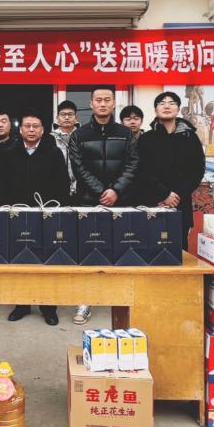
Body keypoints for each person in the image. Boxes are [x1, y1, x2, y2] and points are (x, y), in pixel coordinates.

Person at [68, 86, 139, 325]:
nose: (102, 103)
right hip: (89, 202)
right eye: (98, 100)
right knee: (89, 251)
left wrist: (116, 190)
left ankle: (122, 301)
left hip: (121, 201)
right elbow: (78, 167)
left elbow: (132, 164)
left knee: (121, 250)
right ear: (91, 103)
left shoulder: (125, 133)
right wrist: (101, 192)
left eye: (107, 99)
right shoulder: (79, 135)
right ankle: (85, 301)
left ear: (113, 103)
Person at [0, 112, 70, 326]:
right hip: (18, 216)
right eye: (27, 126)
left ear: (42, 130)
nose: (31, 130)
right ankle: (21, 304)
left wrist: (57, 212)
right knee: (20, 260)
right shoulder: (9, 154)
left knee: (47, 261)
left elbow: (62, 185)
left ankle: (48, 307)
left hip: (46, 216)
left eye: (35, 126)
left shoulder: (53, 153)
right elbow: (3, 185)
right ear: (20, 130)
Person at [137, 91, 206, 243]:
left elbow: (197, 169)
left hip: (180, 202)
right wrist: (164, 194)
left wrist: (177, 195)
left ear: (178, 109)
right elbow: (142, 171)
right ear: (156, 110)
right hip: (152, 201)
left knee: (179, 248)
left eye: (171, 103)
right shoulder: (146, 139)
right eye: (162, 103)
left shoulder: (190, 137)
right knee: (150, 246)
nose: (167, 106)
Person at [51, 99, 78, 199]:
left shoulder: (83, 137)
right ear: (57, 118)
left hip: (81, 190)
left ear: (76, 117)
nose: (67, 117)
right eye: (63, 114)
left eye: (70, 114)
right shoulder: (49, 139)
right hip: (55, 190)